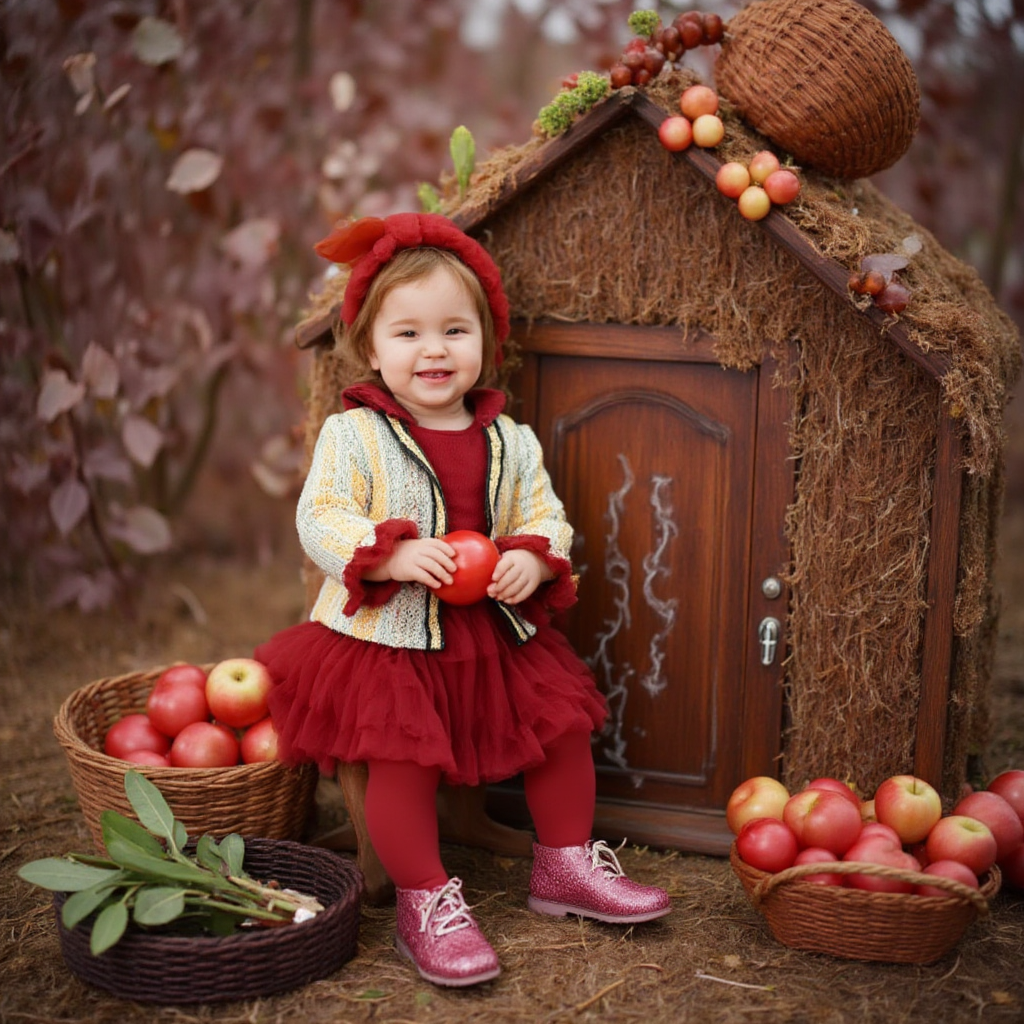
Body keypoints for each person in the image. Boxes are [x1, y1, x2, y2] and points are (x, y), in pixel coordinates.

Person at [255, 213, 670, 988]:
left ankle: (566, 864)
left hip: (492, 633)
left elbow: (544, 517)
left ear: (485, 339)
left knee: (561, 733)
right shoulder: (356, 434)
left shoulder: (510, 439)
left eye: (454, 329)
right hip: (391, 636)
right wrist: (393, 552)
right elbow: (321, 517)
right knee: (402, 763)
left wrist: (533, 564)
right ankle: (424, 897)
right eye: (407, 333)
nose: (435, 349)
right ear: (371, 348)